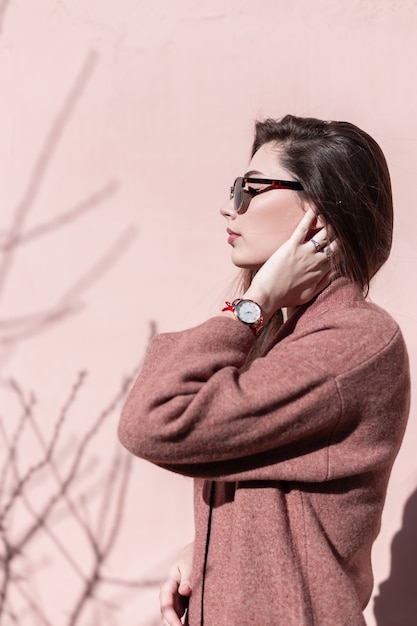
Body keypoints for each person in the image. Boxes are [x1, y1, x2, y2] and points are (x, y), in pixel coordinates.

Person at [118, 115, 410, 626]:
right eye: (237, 188)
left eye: (251, 188)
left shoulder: (355, 342)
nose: (232, 206)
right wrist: (210, 548)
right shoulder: (284, 339)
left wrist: (254, 301)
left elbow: (155, 421)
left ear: (316, 215)